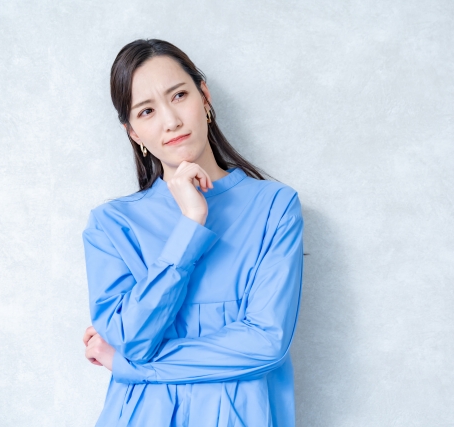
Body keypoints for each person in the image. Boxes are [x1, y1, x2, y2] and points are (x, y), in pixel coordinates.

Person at [80, 39, 305, 427]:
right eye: (147, 111)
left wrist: (135, 367)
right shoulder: (111, 224)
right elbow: (132, 339)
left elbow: (266, 343)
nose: (170, 121)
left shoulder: (275, 207)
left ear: (204, 97)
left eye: (179, 95)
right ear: (134, 133)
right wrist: (190, 224)